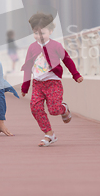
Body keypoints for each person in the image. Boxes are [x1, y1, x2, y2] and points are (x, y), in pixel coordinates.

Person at [21, 12, 84, 147]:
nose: (39, 36)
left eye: (42, 33)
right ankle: (49, 133)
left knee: (54, 110)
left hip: (53, 83)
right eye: (36, 33)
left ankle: (64, 108)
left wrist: (76, 75)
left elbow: (67, 60)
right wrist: (25, 87)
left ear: (50, 31)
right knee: (35, 108)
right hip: (37, 84)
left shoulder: (56, 46)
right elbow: (27, 67)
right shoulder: (32, 47)